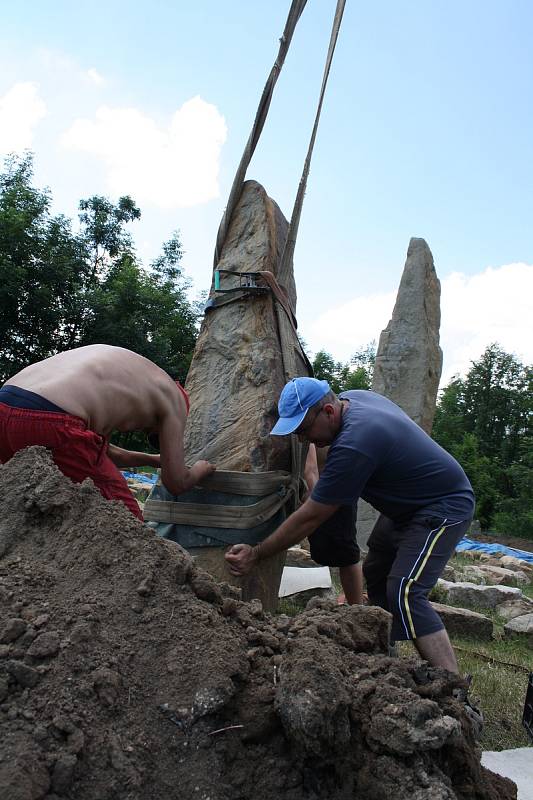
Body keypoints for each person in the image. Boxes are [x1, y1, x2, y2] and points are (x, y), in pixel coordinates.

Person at [225, 377, 475, 674]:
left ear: (329, 412)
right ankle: (384, 658)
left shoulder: (356, 441)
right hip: (406, 509)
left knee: (405, 591)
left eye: (304, 430)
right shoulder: (352, 398)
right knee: (377, 574)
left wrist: (256, 553)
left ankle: (453, 685)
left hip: (443, 505)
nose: (304, 440)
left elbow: (312, 515)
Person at [0, 345, 215, 520]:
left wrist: (153, 460)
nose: (143, 430)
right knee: (127, 525)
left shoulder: (131, 378)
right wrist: (201, 469)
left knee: (27, 512)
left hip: (7, 404)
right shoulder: (176, 401)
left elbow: (105, 454)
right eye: (152, 434)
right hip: (52, 420)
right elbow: (176, 482)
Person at [303, 443, 363, 605]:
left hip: (330, 491)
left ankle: (357, 608)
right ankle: (356, 604)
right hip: (327, 490)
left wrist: (318, 507)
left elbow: (311, 470)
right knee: (346, 554)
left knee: (348, 554)